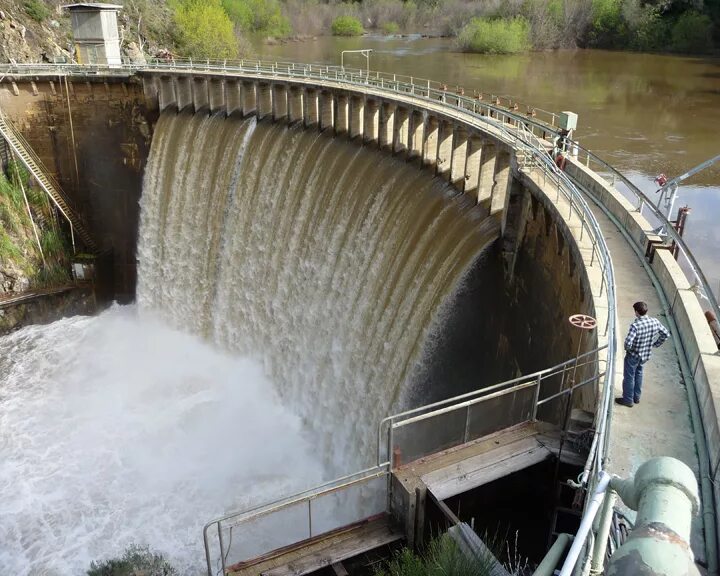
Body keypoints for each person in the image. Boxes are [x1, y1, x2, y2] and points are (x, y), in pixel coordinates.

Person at [615, 301, 669, 407]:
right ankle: (636, 397)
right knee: (639, 374)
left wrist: (628, 349)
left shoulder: (635, 326)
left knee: (629, 377)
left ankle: (628, 400)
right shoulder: (654, 321)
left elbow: (628, 342)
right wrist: (655, 344)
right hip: (645, 355)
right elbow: (665, 334)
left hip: (633, 355)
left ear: (636, 312)